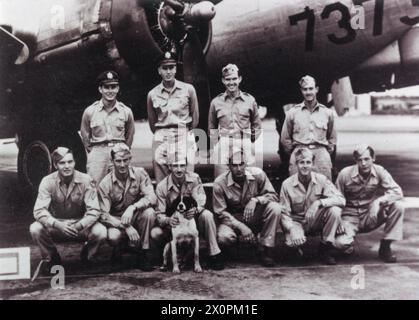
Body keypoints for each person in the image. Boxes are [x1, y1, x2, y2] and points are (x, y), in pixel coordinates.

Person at [30, 147, 106, 273]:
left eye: (70, 162)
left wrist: (79, 225)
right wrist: (58, 224)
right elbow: (39, 211)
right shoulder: (47, 181)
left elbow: (94, 211)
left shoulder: (86, 180)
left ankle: (88, 256)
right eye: (62, 163)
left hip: (80, 224)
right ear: (55, 165)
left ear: (74, 163)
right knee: (35, 228)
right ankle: (52, 258)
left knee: (101, 231)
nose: (67, 166)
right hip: (57, 224)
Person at [150, 156, 224, 270]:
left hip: (192, 220)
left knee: (207, 215)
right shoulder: (162, 187)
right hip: (174, 224)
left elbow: (201, 200)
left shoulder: (194, 179)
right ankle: (166, 258)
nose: (179, 169)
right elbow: (159, 213)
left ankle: (214, 254)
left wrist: (195, 210)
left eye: (182, 165)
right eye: (175, 166)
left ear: (186, 166)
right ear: (169, 167)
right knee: (155, 233)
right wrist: (168, 220)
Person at [334, 144, 404, 262]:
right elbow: (336, 199)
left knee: (397, 206)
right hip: (349, 218)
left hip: (370, 215)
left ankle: (386, 246)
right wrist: (338, 221)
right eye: (360, 160)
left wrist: (378, 202)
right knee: (340, 244)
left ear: (373, 158)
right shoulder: (345, 174)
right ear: (355, 161)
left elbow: (397, 192)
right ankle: (346, 246)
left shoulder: (379, 171)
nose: (363, 163)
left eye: (367, 159)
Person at [213, 149, 281, 267]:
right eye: (234, 165)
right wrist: (241, 227)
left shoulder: (258, 175)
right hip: (232, 219)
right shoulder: (219, 183)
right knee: (224, 238)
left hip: (254, 216)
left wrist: (256, 200)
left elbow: (273, 196)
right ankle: (229, 252)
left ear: (246, 164)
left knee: (274, 208)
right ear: (228, 166)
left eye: (241, 164)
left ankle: (266, 249)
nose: (238, 169)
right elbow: (220, 212)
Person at [279, 148, 345, 265]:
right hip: (297, 222)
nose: (305, 166)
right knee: (292, 245)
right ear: (296, 165)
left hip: (315, 219)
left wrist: (318, 203)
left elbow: (341, 200)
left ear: (313, 164)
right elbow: (284, 214)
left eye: (308, 162)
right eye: (301, 162)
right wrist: (292, 229)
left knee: (334, 211)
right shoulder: (287, 184)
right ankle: (296, 250)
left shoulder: (322, 180)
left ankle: (325, 248)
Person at [97, 143, 157, 271]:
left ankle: (143, 252)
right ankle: (119, 247)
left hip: (134, 215)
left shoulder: (140, 173)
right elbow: (103, 214)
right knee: (114, 237)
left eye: (125, 160)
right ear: (112, 161)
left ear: (130, 159)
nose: (123, 165)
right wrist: (126, 226)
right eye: (118, 161)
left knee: (150, 213)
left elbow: (152, 197)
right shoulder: (105, 184)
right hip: (117, 219)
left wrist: (133, 207)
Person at [147, 51, 199, 184]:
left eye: (171, 67)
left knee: (186, 173)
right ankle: (164, 204)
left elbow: (195, 116)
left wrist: (185, 132)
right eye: (164, 68)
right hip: (162, 135)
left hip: (183, 132)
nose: (168, 71)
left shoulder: (188, 89)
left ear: (176, 69)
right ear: (159, 70)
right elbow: (153, 122)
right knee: (162, 175)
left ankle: (187, 202)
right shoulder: (152, 94)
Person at [80, 70, 135, 184]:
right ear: (100, 89)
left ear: (118, 89)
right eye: (106, 87)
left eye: (113, 87)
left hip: (119, 151)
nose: (110, 91)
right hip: (98, 153)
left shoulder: (126, 111)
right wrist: (94, 151)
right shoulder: (90, 111)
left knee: (121, 185)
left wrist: (123, 149)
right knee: (95, 186)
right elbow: (85, 135)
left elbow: (130, 134)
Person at [208, 63, 262, 177]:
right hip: (224, 142)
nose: (231, 82)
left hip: (245, 142)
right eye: (228, 79)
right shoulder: (216, 102)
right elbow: (212, 127)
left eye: (234, 79)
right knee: (221, 178)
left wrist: (249, 140)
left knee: (249, 178)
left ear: (240, 79)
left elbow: (257, 125)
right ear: (223, 80)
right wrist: (218, 144)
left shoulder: (249, 100)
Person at [280, 75, 336, 180]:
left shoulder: (327, 113)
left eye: (311, 88)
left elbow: (332, 138)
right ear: (301, 91)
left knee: (324, 188)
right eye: (305, 89)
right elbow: (285, 138)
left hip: (321, 155)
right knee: (297, 189)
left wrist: (323, 151)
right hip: (299, 153)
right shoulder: (293, 112)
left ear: (316, 89)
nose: (308, 92)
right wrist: (296, 151)